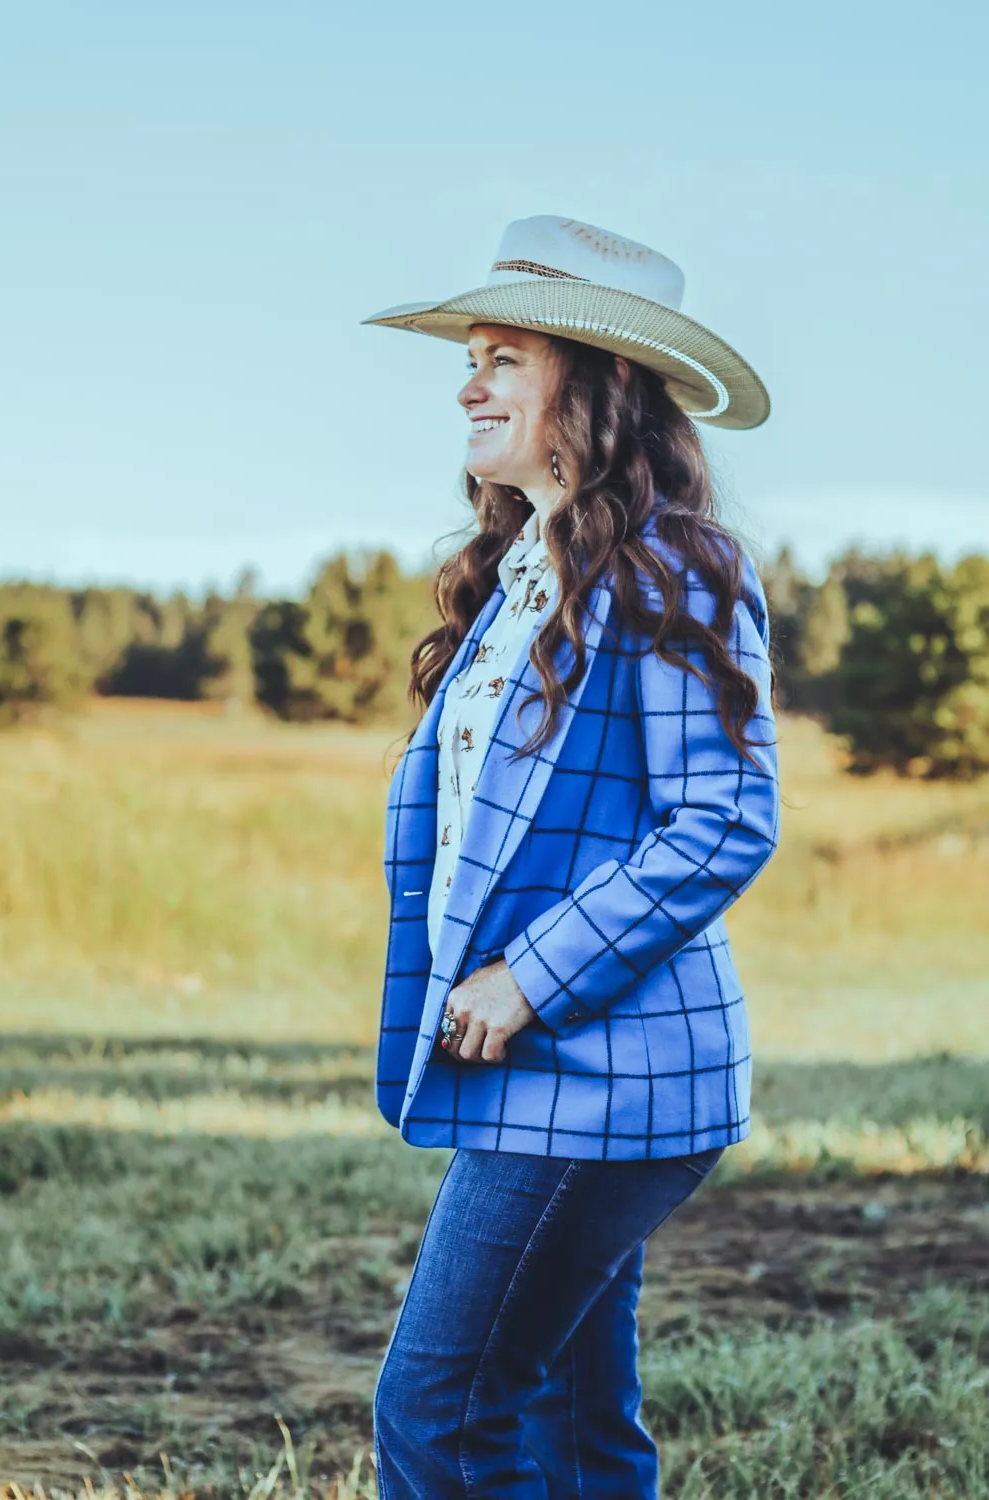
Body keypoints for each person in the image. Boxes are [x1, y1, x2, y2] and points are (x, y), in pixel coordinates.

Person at [360, 214, 780, 1498]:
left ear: (591, 389)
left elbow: (721, 816)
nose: (466, 383)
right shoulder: (522, 578)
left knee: (439, 1413)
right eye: (467, 356)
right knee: (569, 1425)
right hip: (547, 1078)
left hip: (606, 1077)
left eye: (502, 357)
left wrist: (527, 977)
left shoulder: (676, 565)